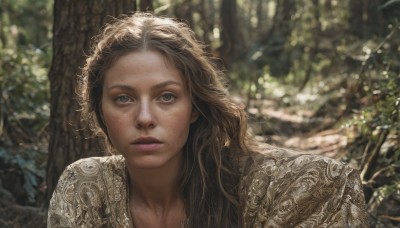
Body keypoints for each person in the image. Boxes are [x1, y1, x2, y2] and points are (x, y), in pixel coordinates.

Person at [47, 12, 369, 227]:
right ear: (101, 110)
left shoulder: (252, 184)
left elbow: (335, 179)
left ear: (195, 107)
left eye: (167, 96)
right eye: (123, 99)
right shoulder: (85, 187)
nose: (144, 118)